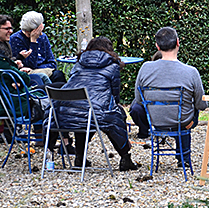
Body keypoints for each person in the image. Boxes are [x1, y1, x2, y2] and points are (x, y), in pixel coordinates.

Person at [45, 37, 139, 170]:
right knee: (113, 115)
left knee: (83, 111)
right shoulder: (113, 66)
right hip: (94, 112)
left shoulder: (78, 64)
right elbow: (115, 96)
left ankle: (80, 157)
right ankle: (125, 157)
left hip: (63, 112)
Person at [134, 27, 207, 167]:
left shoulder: (145, 68)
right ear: (178, 43)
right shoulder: (191, 72)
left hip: (156, 121)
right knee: (192, 111)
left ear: (157, 46)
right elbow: (201, 104)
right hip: (183, 123)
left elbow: (138, 100)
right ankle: (184, 157)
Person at [0, 14, 52, 86]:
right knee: (41, 77)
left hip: (18, 76)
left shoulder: (6, 43)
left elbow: (10, 62)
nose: (10, 31)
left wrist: (19, 59)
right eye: (7, 29)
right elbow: (4, 68)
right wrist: (33, 41)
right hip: (14, 82)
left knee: (57, 76)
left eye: (11, 28)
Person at [10, 11, 66, 83]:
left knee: (58, 75)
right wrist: (33, 41)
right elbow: (30, 65)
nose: (40, 33)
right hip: (29, 75)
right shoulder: (16, 39)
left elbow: (52, 63)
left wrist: (41, 69)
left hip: (45, 70)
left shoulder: (43, 37)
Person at [129, 50, 162, 139]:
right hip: (168, 109)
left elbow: (138, 97)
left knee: (135, 107)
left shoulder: (146, 72)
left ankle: (144, 130)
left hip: (148, 105)